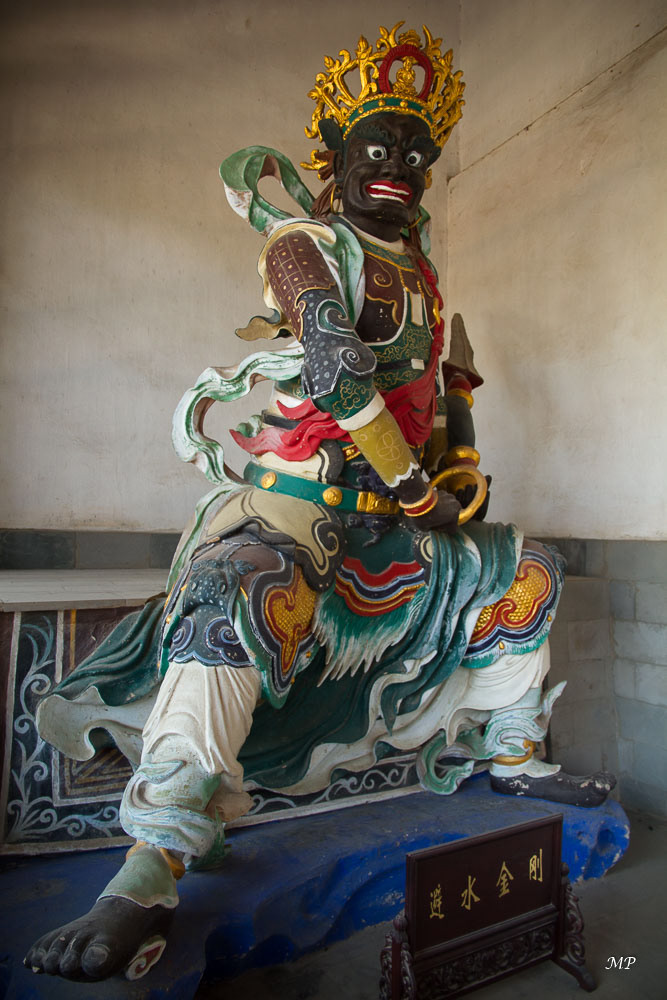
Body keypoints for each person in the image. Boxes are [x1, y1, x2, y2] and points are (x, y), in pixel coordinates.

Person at [25, 22, 613, 982]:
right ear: (334, 160)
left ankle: (511, 755)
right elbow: (342, 377)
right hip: (302, 506)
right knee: (234, 602)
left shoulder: (421, 278)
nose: (401, 168)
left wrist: (451, 467)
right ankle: (150, 863)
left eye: (417, 154)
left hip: (399, 517)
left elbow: (432, 414)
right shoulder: (306, 246)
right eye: (377, 147)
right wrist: (419, 484)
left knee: (532, 569)